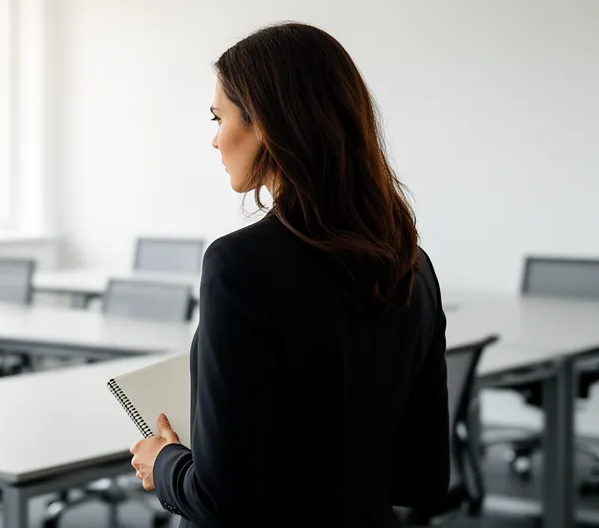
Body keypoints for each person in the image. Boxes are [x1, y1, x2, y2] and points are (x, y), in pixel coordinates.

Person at [129, 22, 449, 527]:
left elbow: (222, 501)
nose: (215, 140)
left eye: (220, 117)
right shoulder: (412, 263)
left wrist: (163, 461)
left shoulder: (239, 265)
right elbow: (422, 477)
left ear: (268, 125)